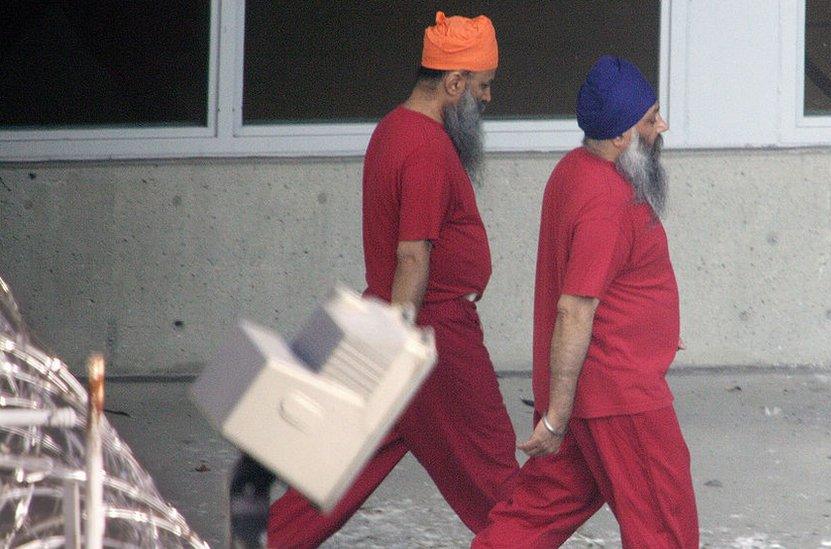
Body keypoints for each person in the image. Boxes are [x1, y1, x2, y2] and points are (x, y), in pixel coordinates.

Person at [266, 12, 519, 548]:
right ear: (454, 83)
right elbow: (412, 256)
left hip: (382, 318)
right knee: (499, 482)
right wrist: (399, 350)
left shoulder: (390, 129)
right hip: (430, 334)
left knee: (329, 477)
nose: (488, 100)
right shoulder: (426, 146)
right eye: (483, 86)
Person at [472, 56, 699, 548]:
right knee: (665, 524)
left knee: (536, 514)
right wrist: (556, 417)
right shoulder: (606, 201)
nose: (662, 127)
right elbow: (575, 308)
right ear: (621, 135)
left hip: (587, 392)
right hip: (618, 398)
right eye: (651, 119)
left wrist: (563, 404)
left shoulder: (575, 171)